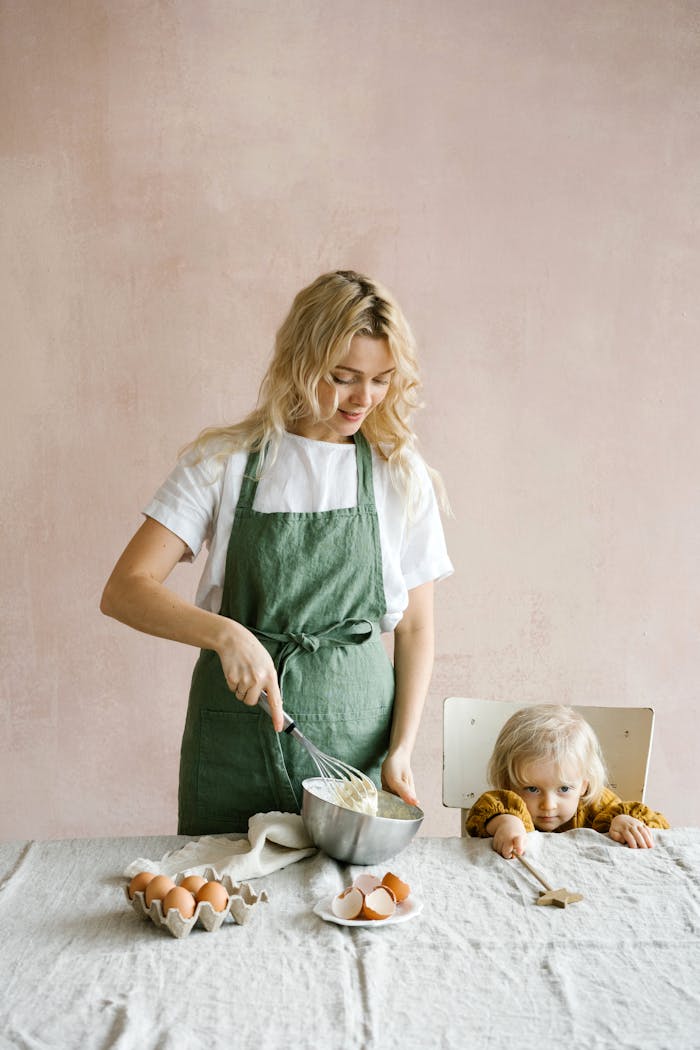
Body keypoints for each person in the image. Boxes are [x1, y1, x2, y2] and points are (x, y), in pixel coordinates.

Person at [101, 269, 453, 834]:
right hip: (231, 745)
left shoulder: (398, 473)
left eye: (382, 380)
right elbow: (124, 590)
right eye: (343, 377)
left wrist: (402, 749)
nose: (364, 398)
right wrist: (224, 633)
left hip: (354, 744)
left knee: (343, 909)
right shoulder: (224, 461)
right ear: (300, 361)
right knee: (220, 900)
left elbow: (414, 631)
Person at [465, 704, 669, 857]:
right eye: (532, 789)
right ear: (509, 783)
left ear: (583, 785)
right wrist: (504, 823)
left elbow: (664, 830)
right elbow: (482, 813)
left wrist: (627, 822)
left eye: (563, 788)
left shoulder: (598, 805)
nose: (548, 805)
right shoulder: (507, 803)